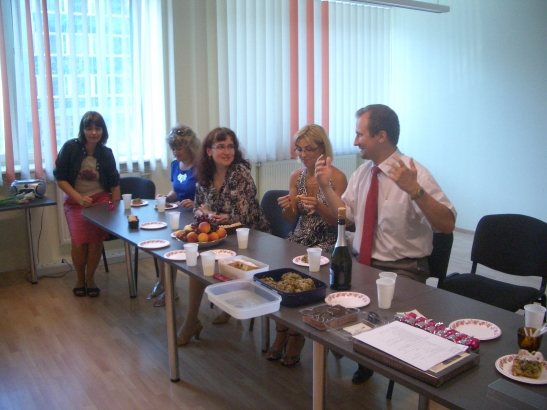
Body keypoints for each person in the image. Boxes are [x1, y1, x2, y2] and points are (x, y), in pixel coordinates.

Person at [315, 104, 456, 384]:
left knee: (377, 318)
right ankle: (360, 352)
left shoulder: (415, 174)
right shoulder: (364, 173)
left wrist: (415, 191)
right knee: (325, 299)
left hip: (403, 269)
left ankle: (369, 353)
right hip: (363, 264)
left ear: (381, 136)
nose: (355, 141)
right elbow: (345, 215)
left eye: (360, 135)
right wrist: (325, 186)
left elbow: (447, 224)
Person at [176, 127, 270, 346]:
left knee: (211, 259)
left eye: (230, 146)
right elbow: (198, 208)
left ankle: (222, 308)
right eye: (220, 147)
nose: (227, 151)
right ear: (209, 151)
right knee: (198, 262)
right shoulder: (204, 174)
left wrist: (210, 214)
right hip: (222, 234)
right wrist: (210, 214)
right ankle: (192, 320)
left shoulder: (240, 173)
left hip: (251, 236)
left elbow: (241, 216)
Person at [267, 124, 347, 366]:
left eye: (309, 149)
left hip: (327, 241)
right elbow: (291, 219)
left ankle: (295, 336)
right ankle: (282, 331)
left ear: (323, 148)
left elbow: (341, 222)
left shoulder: (337, 177)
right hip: (300, 238)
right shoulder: (297, 176)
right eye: (299, 149)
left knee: (303, 281)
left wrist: (319, 207)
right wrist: (287, 207)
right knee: (278, 276)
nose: (303, 155)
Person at [54, 111, 121, 298]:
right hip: (76, 201)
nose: (93, 132)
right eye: (89, 128)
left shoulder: (106, 153)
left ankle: (90, 279)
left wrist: (117, 209)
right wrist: (79, 198)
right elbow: (60, 179)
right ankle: (80, 279)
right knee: (78, 243)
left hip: (100, 201)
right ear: (82, 130)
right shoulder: (70, 148)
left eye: (97, 128)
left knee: (95, 243)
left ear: (103, 131)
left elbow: (114, 183)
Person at [147, 124, 200, 307]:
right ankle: (164, 282)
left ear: (190, 147)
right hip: (179, 214)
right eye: (173, 148)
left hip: (196, 217)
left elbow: (208, 194)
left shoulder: (200, 167)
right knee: (162, 241)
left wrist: (195, 203)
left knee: (171, 245)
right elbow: (178, 191)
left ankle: (169, 288)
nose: (175, 152)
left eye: (179, 148)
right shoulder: (175, 165)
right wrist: (168, 197)